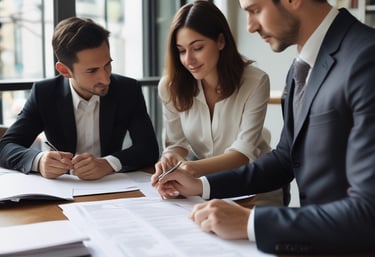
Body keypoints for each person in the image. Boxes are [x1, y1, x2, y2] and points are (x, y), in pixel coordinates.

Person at [152, 0, 375, 254]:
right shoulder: (299, 68)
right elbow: (284, 160)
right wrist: (202, 185)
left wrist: (250, 223)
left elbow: (369, 212)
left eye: (255, 9)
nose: (249, 27)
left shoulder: (367, 58)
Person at [153, 0, 286, 206]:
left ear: (221, 41)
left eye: (197, 47)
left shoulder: (255, 82)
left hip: (255, 187)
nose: (189, 60)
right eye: (181, 50)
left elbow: (242, 154)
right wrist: (169, 161)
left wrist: (190, 169)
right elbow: (176, 144)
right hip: (206, 188)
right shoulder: (170, 87)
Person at [0, 17, 159, 180]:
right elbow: (5, 147)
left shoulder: (127, 90)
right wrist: (38, 161)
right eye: (92, 71)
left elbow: (148, 149)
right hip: (61, 188)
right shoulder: (44, 93)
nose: (105, 79)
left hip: (112, 187)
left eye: (107, 65)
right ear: (64, 70)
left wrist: (108, 163)